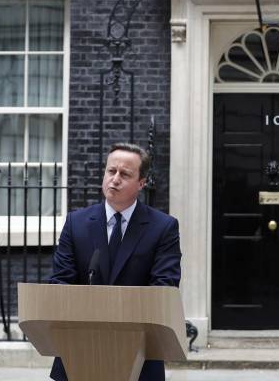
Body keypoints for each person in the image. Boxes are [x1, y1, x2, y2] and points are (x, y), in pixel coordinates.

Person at [48, 143, 182, 381]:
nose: (115, 179)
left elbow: (164, 286)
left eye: (125, 174)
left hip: (138, 356)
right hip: (79, 350)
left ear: (141, 183)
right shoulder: (75, 223)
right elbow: (60, 282)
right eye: (111, 171)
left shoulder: (163, 227)